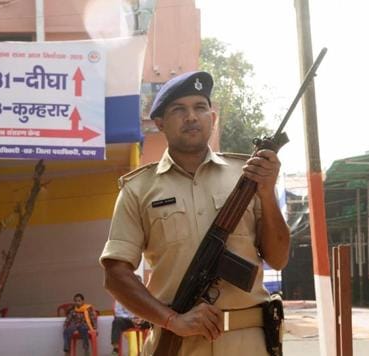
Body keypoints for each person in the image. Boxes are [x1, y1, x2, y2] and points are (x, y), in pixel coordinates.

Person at [100, 71, 290, 355]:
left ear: (212, 119)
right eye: (179, 109)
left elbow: (278, 258)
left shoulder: (247, 178)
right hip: (178, 341)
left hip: (248, 341)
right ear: (160, 123)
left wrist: (267, 192)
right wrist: (172, 320)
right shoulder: (138, 189)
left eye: (200, 107)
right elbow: (115, 275)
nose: (191, 116)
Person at [110, 276, 152, 356]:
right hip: (128, 320)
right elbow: (118, 312)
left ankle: (150, 349)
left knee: (155, 322)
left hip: (142, 319)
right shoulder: (121, 295)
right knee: (117, 321)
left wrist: (142, 318)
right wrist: (131, 319)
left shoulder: (145, 295)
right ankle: (116, 349)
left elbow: (148, 310)